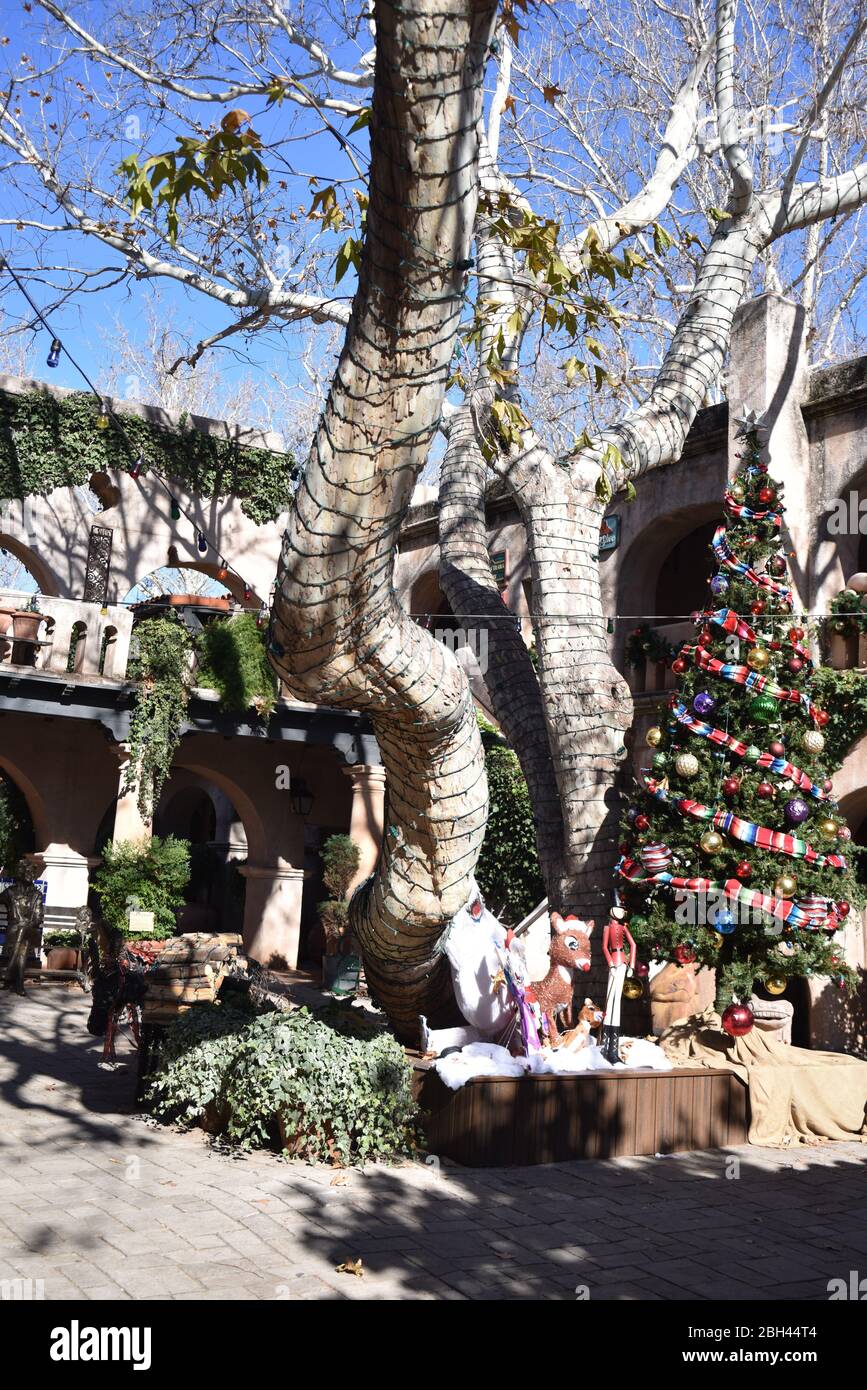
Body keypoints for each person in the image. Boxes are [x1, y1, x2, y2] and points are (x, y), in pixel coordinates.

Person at [0, 860, 43, 995]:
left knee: (23, 932)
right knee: (22, 946)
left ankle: (9, 975)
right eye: (29, 871)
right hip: (14, 930)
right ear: (21, 873)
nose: (32, 875)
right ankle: (18, 984)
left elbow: (38, 917)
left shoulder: (37, 895)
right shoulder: (10, 892)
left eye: (33, 872)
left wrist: (27, 924)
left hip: (30, 930)